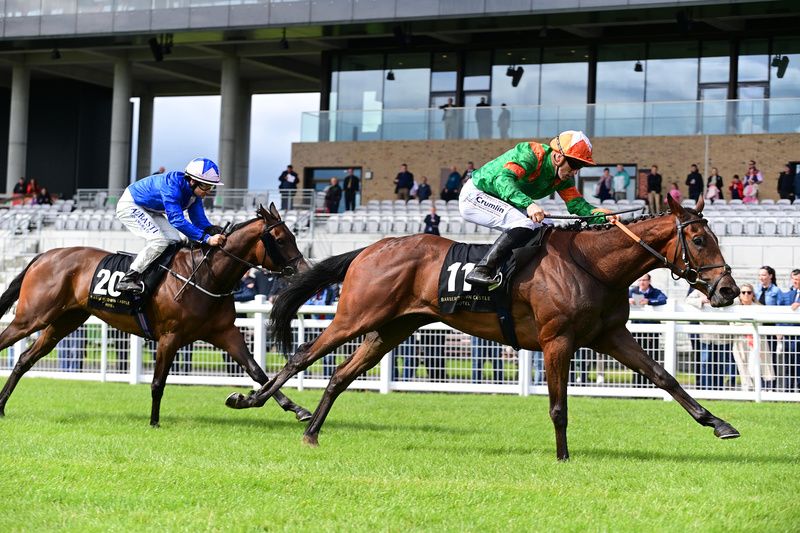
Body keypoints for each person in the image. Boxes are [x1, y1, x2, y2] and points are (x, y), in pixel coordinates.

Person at [459, 130, 615, 287]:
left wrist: (602, 216)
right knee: (524, 223)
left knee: (548, 226)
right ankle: (481, 270)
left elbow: (577, 205)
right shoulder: (531, 154)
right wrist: (529, 204)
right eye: (575, 164)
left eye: (580, 166)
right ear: (558, 157)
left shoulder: (563, 178)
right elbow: (503, 180)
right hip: (476, 194)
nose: (575, 171)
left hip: (504, 201)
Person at [115, 158, 226, 294]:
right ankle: (128, 278)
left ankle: (153, 273)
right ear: (192, 181)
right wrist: (207, 239)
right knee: (159, 241)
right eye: (206, 186)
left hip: (149, 209)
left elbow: (200, 221)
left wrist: (215, 232)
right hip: (131, 204)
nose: (208, 191)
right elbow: (176, 220)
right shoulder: (172, 185)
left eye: (211, 187)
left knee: (174, 240)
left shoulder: (194, 195)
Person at [686, 288, 735, 390]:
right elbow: (688, 300)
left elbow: (737, 300)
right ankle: (705, 388)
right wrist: (701, 300)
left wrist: (722, 301)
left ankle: (718, 389)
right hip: (706, 335)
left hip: (723, 336)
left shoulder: (726, 287)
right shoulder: (701, 288)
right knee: (705, 362)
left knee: (720, 365)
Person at [731, 283, 773, 391]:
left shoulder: (759, 308)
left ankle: (764, 389)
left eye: (749, 292)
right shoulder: (734, 309)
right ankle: (747, 389)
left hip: (757, 341)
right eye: (743, 292)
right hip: (740, 341)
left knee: (760, 366)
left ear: (753, 295)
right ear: (739, 295)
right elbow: (732, 324)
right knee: (742, 365)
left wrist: (743, 324)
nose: (746, 295)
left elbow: (760, 323)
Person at [628, 274, 667, 386]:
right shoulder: (632, 291)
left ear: (649, 281)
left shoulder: (655, 292)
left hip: (652, 333)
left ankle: (651, 386)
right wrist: (628, 301)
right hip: (637, 332)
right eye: (640, 280)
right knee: (636, 359)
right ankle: (637, 385)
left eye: (644, 280)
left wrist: (648, 301)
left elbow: (663, 299)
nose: (642, 282)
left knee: (651, 359)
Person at [755, 265, 780, 390]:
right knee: (759, 357)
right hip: (758, 329)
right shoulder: (756, 290)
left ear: (770, 276)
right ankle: (761, 385)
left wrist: (779, 330)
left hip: (771, 329)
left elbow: (780, 311)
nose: (761, 277)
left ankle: (772, 386)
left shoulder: (776, 291)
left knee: (771, 358)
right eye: (760, 275)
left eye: (764, 275)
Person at [778, 269, 800, 392]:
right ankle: (788, 390)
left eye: (797, 279)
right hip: (789, 338)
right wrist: (779, 328)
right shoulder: (789, 295)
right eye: (794, 279)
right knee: (789, 366)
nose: (795, 282)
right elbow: (781, 312)